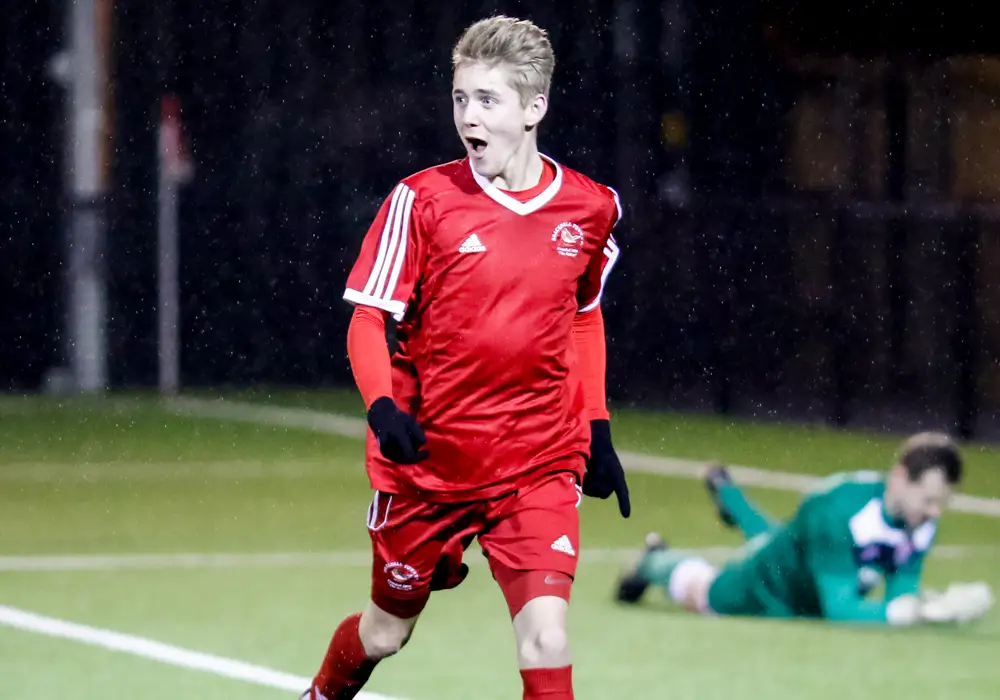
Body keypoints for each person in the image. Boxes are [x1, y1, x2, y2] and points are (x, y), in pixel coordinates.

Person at [302, 15, 630, 700]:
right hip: (431, 465)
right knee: (386, 634)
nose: (468, 117)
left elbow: (584, 315)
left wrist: (595, 428)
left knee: (548, 637)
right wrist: (383, 406)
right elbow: (368, 317)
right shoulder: (422, 201)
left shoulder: (590, 208)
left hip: (537, 458)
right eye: (460, 99)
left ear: (534, 107)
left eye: (488, 100)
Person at [615, 432, 994, 626]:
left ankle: (729, 497)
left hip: (802, 565)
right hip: (765, 586)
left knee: (781, 538)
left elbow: (900, 593)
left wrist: (923, 607)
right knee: (702, 589)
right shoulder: (839, 510)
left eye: (941, 503)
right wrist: (912, 615)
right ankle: (654, 559)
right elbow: (840, 609)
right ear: (898, 478)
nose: (933, 512)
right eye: (926, 499)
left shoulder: (922, 522)